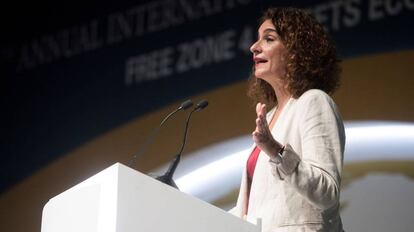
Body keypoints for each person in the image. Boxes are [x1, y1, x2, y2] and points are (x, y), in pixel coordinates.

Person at [229, 7, 345, 232]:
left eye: (268, 39)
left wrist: (275, 150)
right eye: (257, 39)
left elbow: (327, 192)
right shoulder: (270, 116)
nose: (254, 47)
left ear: (296, 52)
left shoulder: (314, 102)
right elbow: (255, 210)